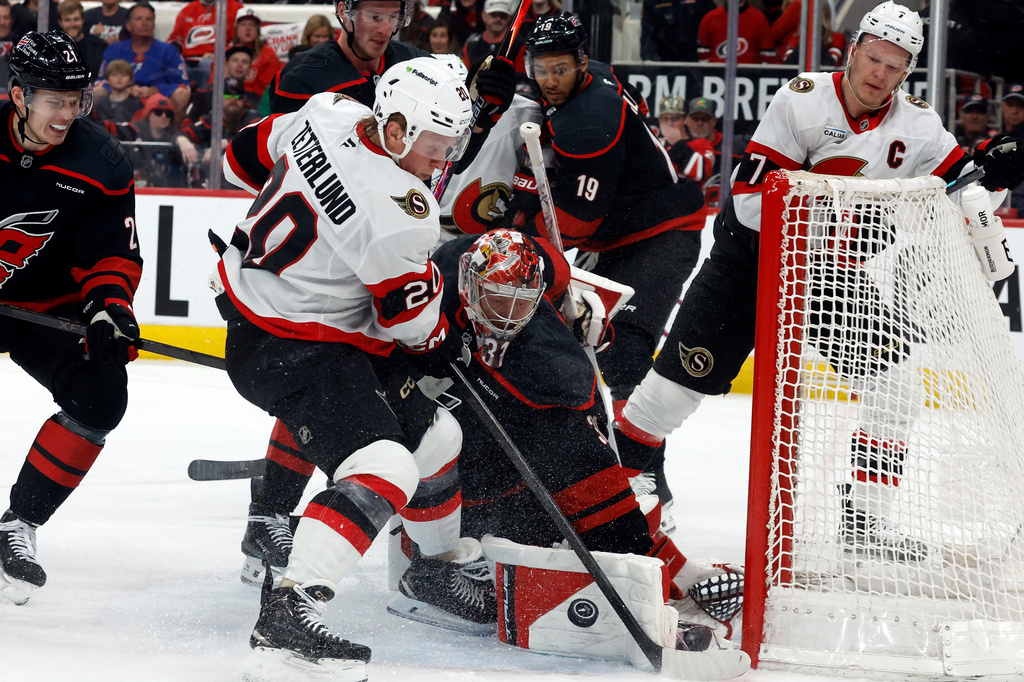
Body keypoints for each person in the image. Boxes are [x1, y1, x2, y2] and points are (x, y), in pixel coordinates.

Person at [615, 2, 1024, 565]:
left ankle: (866, 520)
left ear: (908, 73)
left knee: (899, 385)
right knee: (667, 396)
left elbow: (963, 195)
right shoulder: (801, 100)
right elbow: (754, 204)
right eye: (873, 57)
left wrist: (992, 175)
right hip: (749, 265)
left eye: (895, 65)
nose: (879, 74)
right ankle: (612, 502)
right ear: (853, 50)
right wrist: (842, 211)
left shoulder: (920, 126)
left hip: (831, 278)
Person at [212, 56, 474, 675]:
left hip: (270, 315)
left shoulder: (331, 111)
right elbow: (411, 329)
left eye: (453, 143)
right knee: (385, 465)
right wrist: (446, 338)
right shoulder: (401, 213)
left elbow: (238, 160)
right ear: (399, 126)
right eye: (437, 142)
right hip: (294, 346)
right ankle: (288, 613)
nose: (445, 158)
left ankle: (429, 576)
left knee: (439, 436)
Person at [517, 12, 706, 441]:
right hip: (619, 232)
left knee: (623, 350)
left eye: (560, 69)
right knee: (576, 344)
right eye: (541, 69)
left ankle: (644, 478)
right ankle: (595, 462)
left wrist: (522, 219)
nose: (549, 80)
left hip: (662, 232)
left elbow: (574, 228)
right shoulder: (598, 76)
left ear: (581, 62)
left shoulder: (589, 124)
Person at [0, 30, 141, 606]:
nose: (67, 113)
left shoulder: (101, 162)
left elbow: (109, 253)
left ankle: (18, 524)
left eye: (76, 100)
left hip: (45, 311)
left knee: (103, 396)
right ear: (18, 96)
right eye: (54, 100)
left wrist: (109, 308)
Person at [269, 0, 425, 115]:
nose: (385, 30)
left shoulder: (415, 61)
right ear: (344, 11)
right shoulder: (305, 77)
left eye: (393, 17)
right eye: (375, 17)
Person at [95, 3, 191, 125]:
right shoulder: (114, 49)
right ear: (129, 26)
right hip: (119, 97)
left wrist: (155, 90)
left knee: (182, 95)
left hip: (157, 101)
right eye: (139, 19)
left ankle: (169, 139)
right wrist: (123, 89)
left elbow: (183, 85)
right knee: (97, 92)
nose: (144, 23)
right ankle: (104, 135)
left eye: (149, 19)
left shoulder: (168, 50)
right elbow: (100, 82)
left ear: (154, 25)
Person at [175, 77, 258, 183]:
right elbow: (182, 133)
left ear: (244, 100)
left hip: (248, 183)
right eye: (227, 95)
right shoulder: (213, 119)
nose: (233, 100)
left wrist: (226, 143)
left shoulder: (252, 118)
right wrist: (182, 140)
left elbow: (256, 138)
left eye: (238, 96)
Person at [166, 0, 243, 86]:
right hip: (188, 60)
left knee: (206, 65)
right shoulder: (188, 9)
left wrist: (219, 54)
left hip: (216, 60)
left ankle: (204, 95)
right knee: (171, 66)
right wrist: (172, 53)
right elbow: (176, 38)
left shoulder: (235, 8)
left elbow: (239, 40)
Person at [123, 93, 183, 187]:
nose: (164, 116)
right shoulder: (135, 130)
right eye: (158, 112)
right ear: (149, 115)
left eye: (168, 114)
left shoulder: (176, 136)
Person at [658, 94, 714, 190]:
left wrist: (677, 143)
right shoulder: (656, 145)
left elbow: (702, 173)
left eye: (674, 118)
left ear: (684, 120)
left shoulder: (701, 144)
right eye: (665, 119)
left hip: (690, 202)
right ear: (659, 120)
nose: (669, 124)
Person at [697, 0, 775, 64]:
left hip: (751, 75)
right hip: (716, 75)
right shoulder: (709, 19)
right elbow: (703, 58)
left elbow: (767, 60)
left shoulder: (760, 19)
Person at [231, 8, 282, 102]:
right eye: (243, 24)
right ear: (236, 27)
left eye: (252, 25)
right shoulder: (225, 52)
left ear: (258, 29)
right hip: (226, 96)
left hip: (254, 100)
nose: (248, 28)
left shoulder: (268, 54)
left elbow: (267, 88)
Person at [640, 0, 715, 62]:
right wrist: (649, 61)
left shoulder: (704, 2)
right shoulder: (653, 2)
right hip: (665, 60)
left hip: (697, 58)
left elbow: (713, 28)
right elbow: (648, 35)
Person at [57, 0, 106, 80]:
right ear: (60, 22)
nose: (72, 24)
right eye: (67, 20)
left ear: (82, 20)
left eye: (76, 19)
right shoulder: (54, 47)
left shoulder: (98, 45)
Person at [461, 0, 511, 67]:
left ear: (509, 17)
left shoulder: (518, 44)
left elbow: (522, 75)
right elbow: (463, 73)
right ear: (483, 15)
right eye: (493, 14)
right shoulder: (471, 44)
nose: (498, 19)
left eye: (503, 15)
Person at [91, 58, 141, 123]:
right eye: (114, 75)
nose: (119, 78)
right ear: (107, 80)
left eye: (124, 75)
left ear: (130, 80)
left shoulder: (137, 103)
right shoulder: (101, 104)